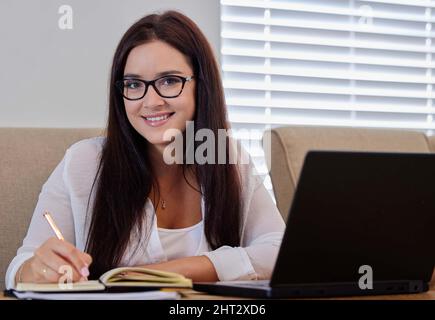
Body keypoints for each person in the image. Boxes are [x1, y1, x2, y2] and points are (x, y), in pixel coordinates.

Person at [5, 10, 285, 289]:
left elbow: (280, 250)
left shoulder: (227, 159)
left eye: (169, 81)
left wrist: (162, 273)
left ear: (202, 87)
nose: (151, 101)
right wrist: (35, 269)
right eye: (134, 84)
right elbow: (19, 268)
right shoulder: (83, 163)